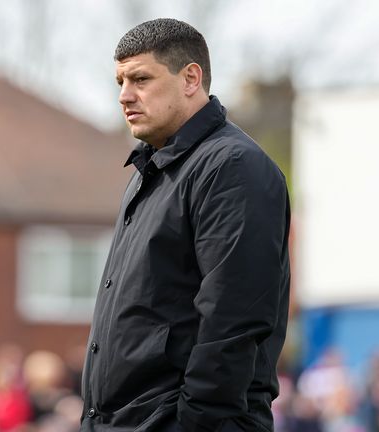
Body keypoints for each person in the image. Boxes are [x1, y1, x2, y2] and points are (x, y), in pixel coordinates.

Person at [81, 18, 290, 432]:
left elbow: (235, 318)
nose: (124, 96)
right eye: (120, 81)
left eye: (140, 78)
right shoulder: (151, 168)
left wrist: (193, 423)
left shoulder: (232, 166)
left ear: (190, 78)